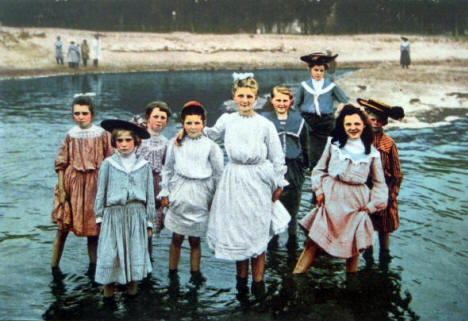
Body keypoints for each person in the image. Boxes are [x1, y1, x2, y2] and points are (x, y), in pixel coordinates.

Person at [205, 74, 289, 301]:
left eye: (249, 96)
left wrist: (279, 182)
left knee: (258, 229)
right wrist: (186, 131)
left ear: (256, 98)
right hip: (234, 177)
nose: (244, 100)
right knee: (238, 230)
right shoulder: (227, 119)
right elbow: (210, 134)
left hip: (258, 178)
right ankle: (241, 285)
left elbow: (277, 155)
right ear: (234, 97)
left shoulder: (265, 124)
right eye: (240, 95)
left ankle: (258, 285)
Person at [293, 104, 388, 276]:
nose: (353, 128)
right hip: (331, 198)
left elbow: (379, 183)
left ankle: (350, 287)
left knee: (353, 249)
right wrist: (319, 191)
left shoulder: (372, 153)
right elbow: (319, 170)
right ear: (343, 126)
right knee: (313, 242)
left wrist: (372, 206)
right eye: (348, 124)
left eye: (356, 124)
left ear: (364, 125)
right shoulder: (333, 144)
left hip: (356, 203)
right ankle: (296, 278)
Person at [159, 101, 223, 283]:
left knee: (195, 239)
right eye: (189, 123)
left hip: (201, 194)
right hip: (180, 191)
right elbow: (168, 169)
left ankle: (195, 273)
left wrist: (215, 198)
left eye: (197, 123)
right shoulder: (175, 143)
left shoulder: (211, 146)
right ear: (182, 123)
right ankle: (173, 272)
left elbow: (218, 174)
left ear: (203, 123)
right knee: (176, 236)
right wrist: (165, 192)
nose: (193, 127)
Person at [51, 95, 113, 270]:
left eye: (84, 113)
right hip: (73, 185)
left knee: (93, 233)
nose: (80, 116)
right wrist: (62, 189)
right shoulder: (70, 135)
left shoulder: (102, 134)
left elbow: (110, 160)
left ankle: (94, 270)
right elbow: (61, 164)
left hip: (95, 186)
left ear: (91, 114)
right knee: (62, 229)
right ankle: (54, 269)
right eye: (76, 113)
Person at [94, 119, 155, 299]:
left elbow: (149, 194)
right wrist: (99, 217)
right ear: (115, 142)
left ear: (136, 142)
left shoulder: (144, 166)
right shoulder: (108, 164)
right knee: (110, 257)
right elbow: (101, 192)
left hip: (136, 216)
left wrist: (149, 222)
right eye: (120, 140)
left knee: (134, 257)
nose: (124, 144)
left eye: (128, 140)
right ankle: (108, 300)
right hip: (113, 216)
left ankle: (131, 299)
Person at [357, 98, 405, 262]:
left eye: (380, 121)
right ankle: (368, 254)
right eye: (373, 120)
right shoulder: (359, 140)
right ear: (366, 120)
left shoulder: (389, 143)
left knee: (385, 226)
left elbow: (397, 173)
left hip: (384, 190)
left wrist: (393, 194)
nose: (376, 123)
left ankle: (385, 254)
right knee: (366, 223)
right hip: (364, 191)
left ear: (384, 123)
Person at [262, 85, 310, 245]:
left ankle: (292, 240)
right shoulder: (264, 120)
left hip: (294, 167)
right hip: (272, 167)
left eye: (285, 100)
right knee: (272, 204)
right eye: (278, 100)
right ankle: (273, 240)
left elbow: (305, 145)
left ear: (291, 101)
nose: (281, 103)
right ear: (272, 100)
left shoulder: (299, 121)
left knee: (293, 206)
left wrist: (304, 166)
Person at [294, 52, 348, 172]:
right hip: (308, 121)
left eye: (321, 70)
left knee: (328, 149)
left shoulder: (331, 86)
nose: (318, 73)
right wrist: (300, 120)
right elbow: (296, 105)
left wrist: (338, 112)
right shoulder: (303, 86)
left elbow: (344, 101)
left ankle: (326, 174)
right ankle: (313, 174)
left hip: (326, 122)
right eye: (316, 70)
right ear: (310, 70)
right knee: (312, 151)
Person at [135, 101, 172, 261]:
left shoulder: (166, 142)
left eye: (163, 117)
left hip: (156, 186)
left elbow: (167, 168)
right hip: (138, 183)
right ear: (148, 118)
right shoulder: (138, 139)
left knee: (149, 227)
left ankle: (147, 262)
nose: (159, 120)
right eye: (155, 116)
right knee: (136, 224)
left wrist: (166, 192)